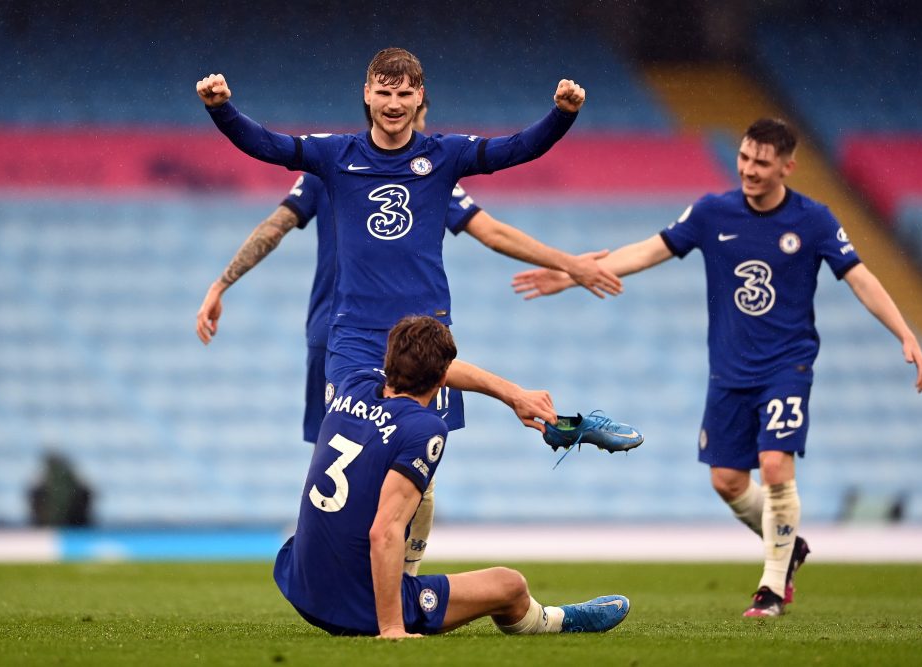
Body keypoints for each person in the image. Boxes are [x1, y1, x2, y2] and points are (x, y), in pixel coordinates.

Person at [512, 118, 922, 617]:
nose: (750, 170)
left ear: (787, 167)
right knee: (727, 481)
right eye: (745, 158)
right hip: (729, 372)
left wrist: (904, 332)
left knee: (775, 465)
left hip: (787, 366)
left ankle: (772, 588)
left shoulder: (814, 220)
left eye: (762, 162)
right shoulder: (714, 212)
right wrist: (575, 273)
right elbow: (649, 250)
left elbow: (859, 277)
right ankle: (789, 544)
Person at [195, 92, 620, 574]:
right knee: (349, 458)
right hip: (341, 334)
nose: (412, 119)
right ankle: (345, 572)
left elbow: (493, 229)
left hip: (415, 336)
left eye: (412, 105)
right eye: (393, 101)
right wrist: (222, 281)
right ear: (372, 103)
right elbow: (275, 224)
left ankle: (400, 579)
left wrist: (566, 264)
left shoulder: (436, 168)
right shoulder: (331, 166)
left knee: (413, 462)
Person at [195, 49, 589, 437]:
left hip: (426, 332)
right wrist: (223, 110)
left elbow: (516, 148)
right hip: (355, 334)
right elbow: (268, 145)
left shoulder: (444, 156)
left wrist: (561, 116)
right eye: (384, 93)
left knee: (419, 461)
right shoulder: (335, 156)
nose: (394, 104)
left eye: (404, 94)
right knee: (350, 450)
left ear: (419, 96)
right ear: (367, 94)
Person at [274, 315, 630, 638]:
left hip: (300, 578)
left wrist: (514, 395)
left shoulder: (353, 382)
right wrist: (392, 629)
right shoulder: (424, 427)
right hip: (353, 604)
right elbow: (384, 531)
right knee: (510, 586)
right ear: (444, 379)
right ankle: (553, 621)